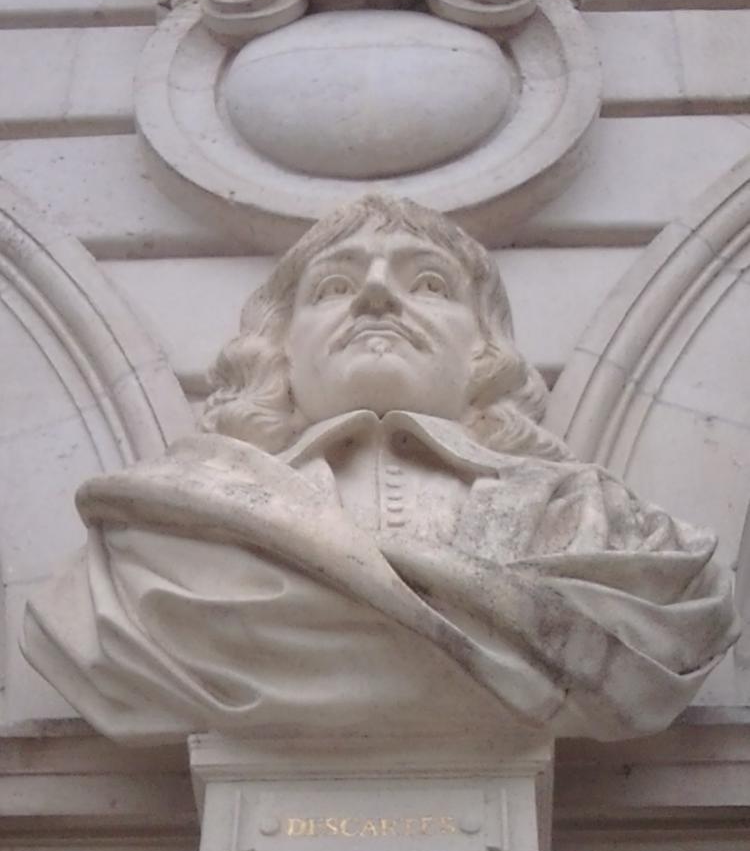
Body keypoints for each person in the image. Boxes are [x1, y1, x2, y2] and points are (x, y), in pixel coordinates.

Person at [22, 195, 740, 746]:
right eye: (332, 287)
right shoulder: (161, 541)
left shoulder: (600, 524)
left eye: (428, 283)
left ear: (484, 351)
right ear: (278, 351)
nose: (375, 295)